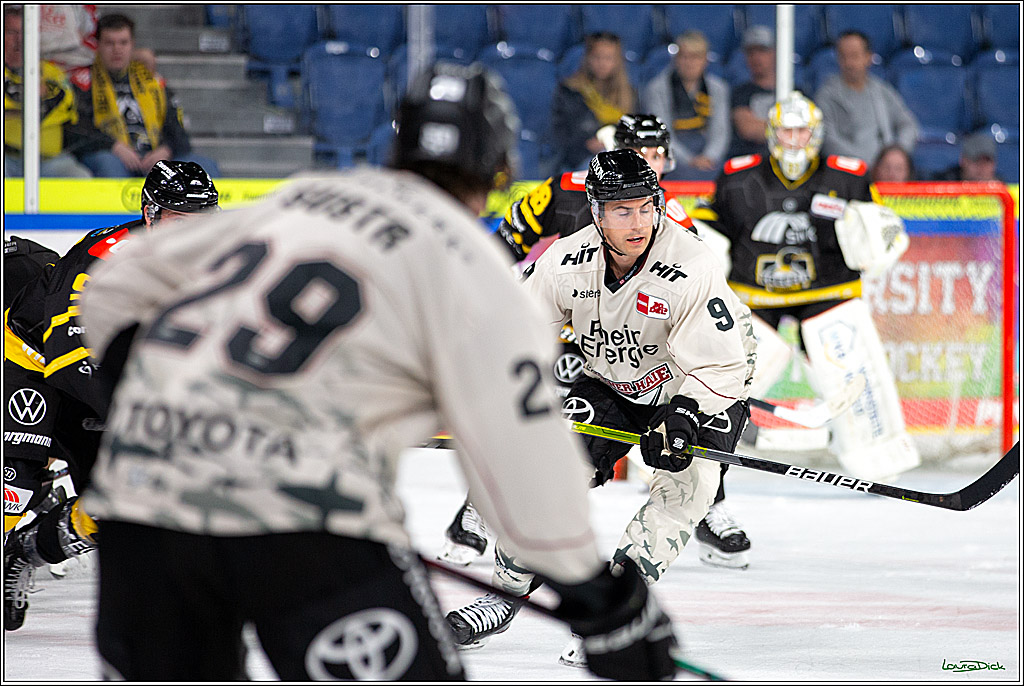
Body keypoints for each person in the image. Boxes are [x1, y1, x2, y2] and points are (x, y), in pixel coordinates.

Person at [74, 62, 678, 681]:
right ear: (498, 171)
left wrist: (152, 402)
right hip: (303, 515)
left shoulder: (301, 198)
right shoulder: (474, 269)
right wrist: (602, 600)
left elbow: (118, 281)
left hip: (143, 503)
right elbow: (523, 464)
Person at [445, 149, 756, 669]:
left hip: (699, 384)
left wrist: (683, 415)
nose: (638, 222)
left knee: (683, 493)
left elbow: (724, 363)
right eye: (622, 211)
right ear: (596, 212)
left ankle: (616, 614)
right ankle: (506, 591)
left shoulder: (690, 263)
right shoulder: (567, 259)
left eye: (645, 207)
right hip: (612, 382)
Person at [3, 160, 220, 632]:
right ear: (150, 214)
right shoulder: (105, 256)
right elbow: (68, 352)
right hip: (33, 363)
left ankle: (26, 551)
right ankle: (27, 497)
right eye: (180, 221)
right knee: (11, 488)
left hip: (112, 382)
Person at [689, 91, 919, 483]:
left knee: (852, 370)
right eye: (787, 131)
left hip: (828, 293)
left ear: (816, 133)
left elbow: (878, 229)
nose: (794, 140)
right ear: (772, 133)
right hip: (754, 295)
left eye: (802, 131)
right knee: (725, 373)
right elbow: (708, 228)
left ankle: (877, 456)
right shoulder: (738, 175)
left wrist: (878, 241)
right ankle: (690, 446)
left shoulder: (848, 176)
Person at [66, 13, 217, 177]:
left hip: (155, 157)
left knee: (206, 167)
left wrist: (165, 151)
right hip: (111, 155)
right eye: (110, 43)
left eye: (123, 43)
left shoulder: (152, 82)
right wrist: (114, 146)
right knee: (108, 163)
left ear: (132, 45)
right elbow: (76, 130)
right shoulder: (82, 83)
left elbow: (178, 131)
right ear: (98, 46)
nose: (117, 49)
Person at [4, 5, 92, 178]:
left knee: (80, 177)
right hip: (7, 158)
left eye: (24, 32)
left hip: (51, 161)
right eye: (11, 32)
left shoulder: (53, 72)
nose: (20, 39)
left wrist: (17, 109)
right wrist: (34, 102)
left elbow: (63, 108)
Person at [814, 30, 919, 166]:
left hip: (885, 170)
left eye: (854, 56)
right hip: (848, 171)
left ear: (868, 57)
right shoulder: (826, 95)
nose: (849, 63)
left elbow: (908, 124)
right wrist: (862, 163)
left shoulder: (881, 90)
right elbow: (827, 140)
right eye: (843, 56)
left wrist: (897, 154)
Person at [641, 30, 730, 180]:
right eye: (685, 56)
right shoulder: (657, 88)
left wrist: (709, 157)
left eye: (696, 57)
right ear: (676, 59)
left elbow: (720, 131)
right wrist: (689, 160)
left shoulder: (718, 88)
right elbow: (662, 133)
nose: (690, 63)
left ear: (705, 60)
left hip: (708, 156)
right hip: (673, 156)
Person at [548, 32, 637, 174]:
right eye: (597, 57)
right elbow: (562, 134)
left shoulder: (630, 94)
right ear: (588, 58)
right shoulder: (570, 91)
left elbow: (634, 131)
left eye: (608, 58)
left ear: (617, 61)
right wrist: (587, 143)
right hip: (580, 159)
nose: (602, 63)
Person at [38, 4, 158, 81]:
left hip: (84, 64)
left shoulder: (86, 7)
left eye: (124, 43)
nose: (117, 48)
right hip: (44, 67)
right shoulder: (31, 9)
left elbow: (93, 38)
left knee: (145, 59)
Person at [727, 25, 777, 159]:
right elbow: (748, 130)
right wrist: (786, 130)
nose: (756, 57)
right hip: (750, 162)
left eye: (762, 50)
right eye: (750, 52)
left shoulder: (795, 91)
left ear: (775, 52)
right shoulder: (740, 93)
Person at [931, 132, 1001, 182]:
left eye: (986, 161)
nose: (981, 167)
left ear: (994, 164)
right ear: (963, 160)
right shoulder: (944, 184)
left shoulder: (1003, 192)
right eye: (975, 160)